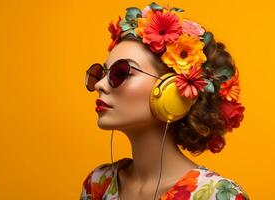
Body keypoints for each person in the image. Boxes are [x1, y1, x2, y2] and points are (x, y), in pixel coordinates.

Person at [80, 2, 249, 200]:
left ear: (173, 91)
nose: (100, 84)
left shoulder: (217, 196)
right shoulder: (98, 183)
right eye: (100, 73)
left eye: (120, 72)